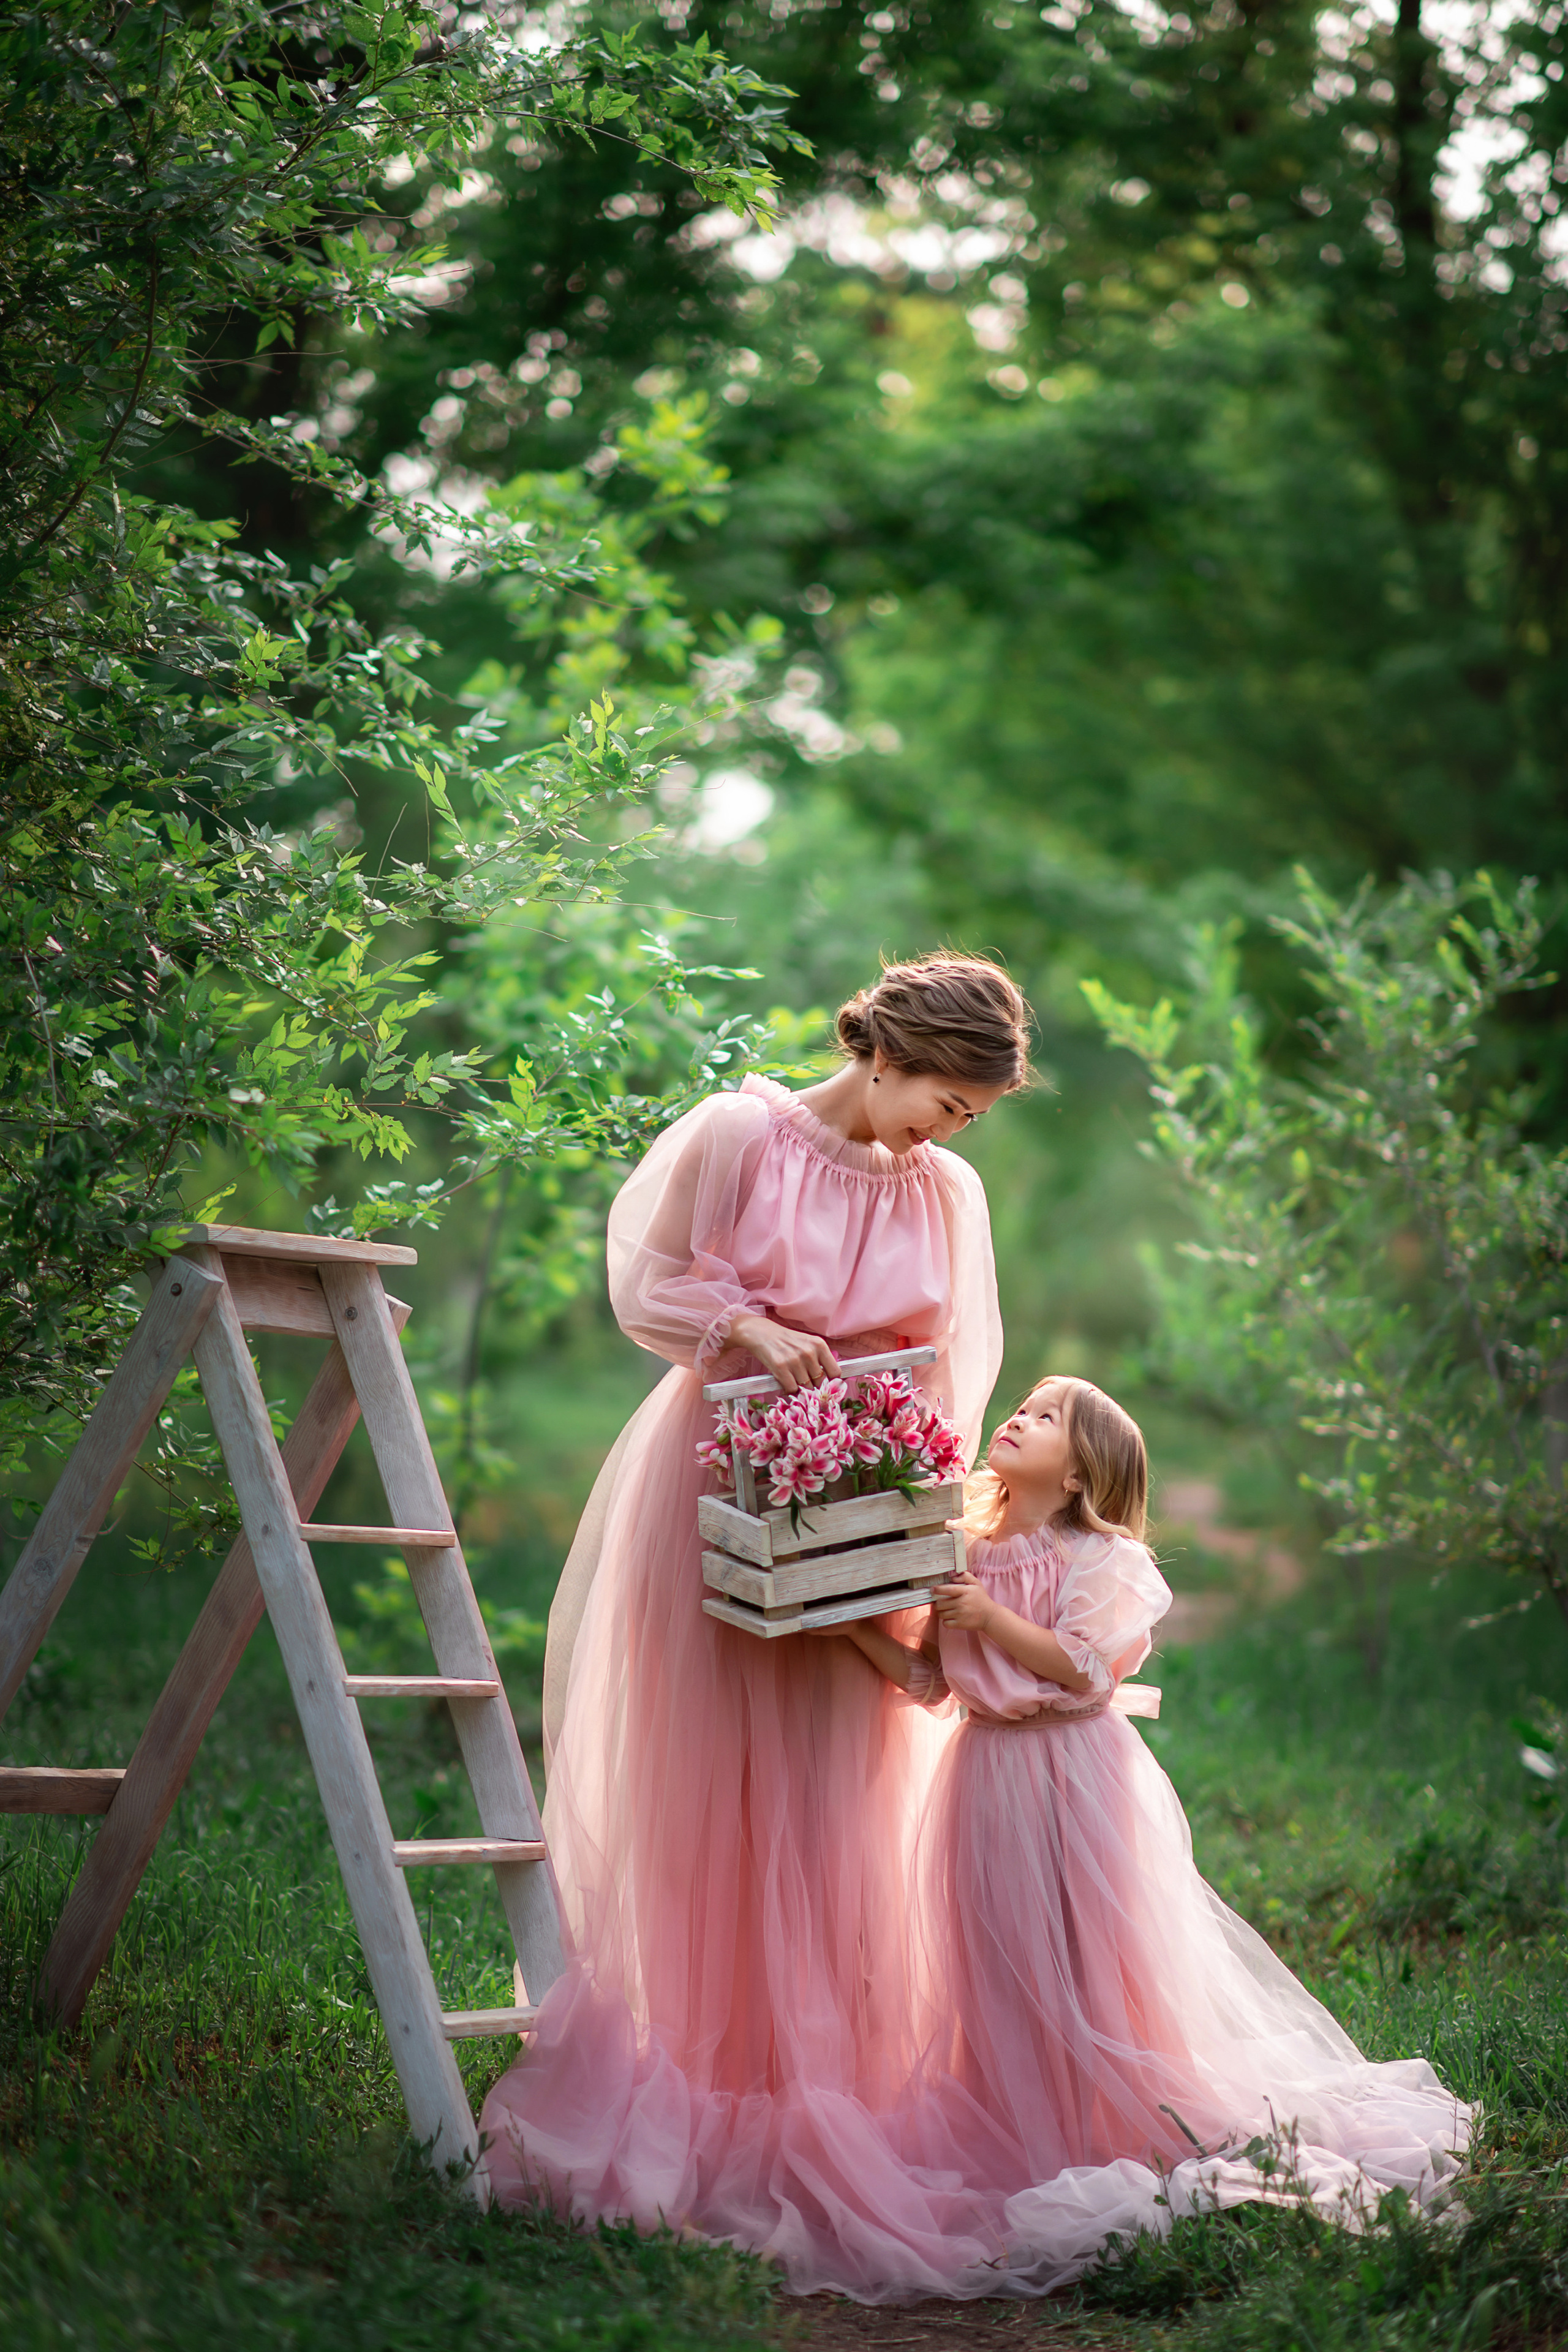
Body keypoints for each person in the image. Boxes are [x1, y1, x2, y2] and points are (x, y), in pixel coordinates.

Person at [479, 954, 1033, 2286]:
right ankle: (699, 2071)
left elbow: (958, 1362)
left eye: (973, 1116)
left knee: (841, 1783)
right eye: (949, 1102)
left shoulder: (946, 1192)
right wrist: (745, 1325)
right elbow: (646, 1281)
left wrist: (912, 1505)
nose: (954, 1133)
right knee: (708, 1779)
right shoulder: (741, 1134)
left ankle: (826, 2082)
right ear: (887, 1055)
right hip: (716, 1481)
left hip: (860, 1493)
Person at [838, 1375, 1476, 2293]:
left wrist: (990, 1617)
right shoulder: (965, 1552)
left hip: (1074, 1771)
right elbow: (931, 1682)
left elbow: (1084, 1668)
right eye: (1025, 1406)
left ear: (1078, 1475)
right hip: (984, 1780)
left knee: (1092, 1953)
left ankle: (1108, 2118)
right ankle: (1021, 2120)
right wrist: (842, 1633)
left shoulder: (1097, 1557)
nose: (1020, 1417)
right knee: (1001, 1955)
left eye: (1048, 1418)